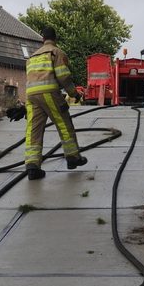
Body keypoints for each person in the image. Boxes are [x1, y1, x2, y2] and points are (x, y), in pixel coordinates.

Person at [23, 25, 88, 181]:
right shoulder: (56, 52)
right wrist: (74, 93)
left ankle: (32, 166)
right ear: (55, 38)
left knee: (33, 129)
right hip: (49, 93)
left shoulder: (32, 57)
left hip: (31, 96)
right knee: (63, 123)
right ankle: (73, 157)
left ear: (42, 39)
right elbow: (63, 76)